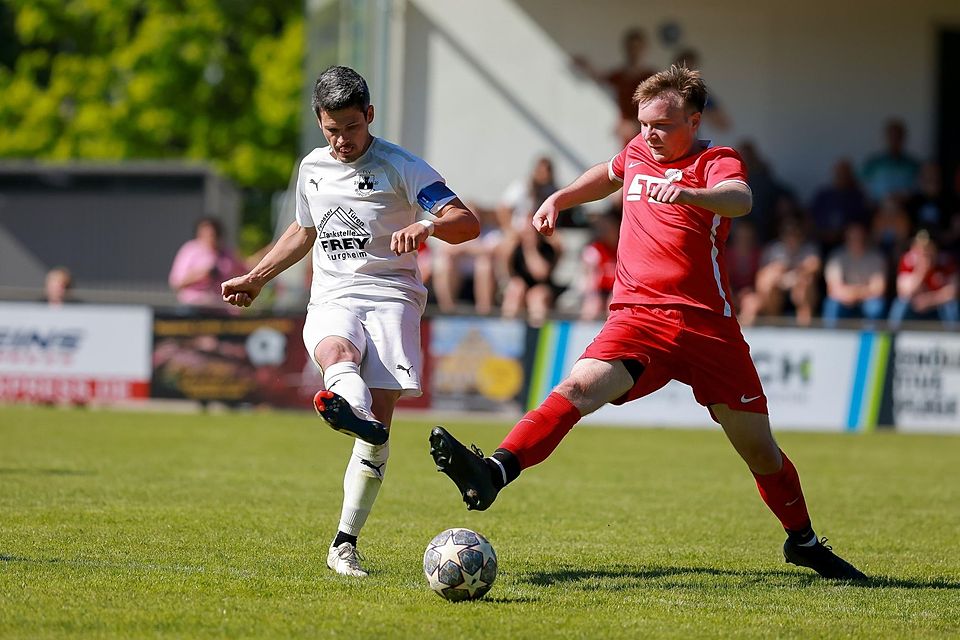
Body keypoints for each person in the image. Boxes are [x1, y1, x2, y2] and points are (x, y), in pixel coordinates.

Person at [429, 65, 866, 581]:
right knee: (578, 386)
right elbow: (609, 172)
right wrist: (560, 197)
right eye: (643, 124)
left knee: (760, 452)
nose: (649, 135)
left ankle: (804, 541)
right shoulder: (638, 152)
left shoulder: (716, 159)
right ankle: (495, 471)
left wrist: (688, 194)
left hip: (709, 329)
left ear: (694, 119)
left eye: (661, 125)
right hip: (638, 317)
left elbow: (740, 199)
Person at [221, 66, 479, 577]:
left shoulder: (401, 167)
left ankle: (344, 542)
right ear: (319, 120)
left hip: (393, 296)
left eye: (351, 127)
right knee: (336, 353)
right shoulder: (312, 168)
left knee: (377, 428)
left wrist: (426, 226)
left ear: (370, 116)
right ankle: (348, 408)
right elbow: (303, 230)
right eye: (331, 128)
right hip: (334, 294)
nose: (342, 139)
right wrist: (258, 276)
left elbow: (466, 222)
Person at [573, 28, 656, 147]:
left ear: (644, 49)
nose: (634, 52)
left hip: (645, 135)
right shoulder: (620, 75)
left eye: (637, 48)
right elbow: (601, 78)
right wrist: (585, 65)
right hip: (624, 135)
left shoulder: (651, 77)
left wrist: (636, 125)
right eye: (631, 48)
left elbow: (659, 110)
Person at [739, 218, 822, 327]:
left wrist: (795, 272)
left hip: (799, 292)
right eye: (788, 233)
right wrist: (778, 272)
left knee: (805, 284)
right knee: (758, 294)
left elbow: (815, 265)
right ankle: (773, 325)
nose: (791, 236)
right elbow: (761, 277)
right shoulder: (773, 249)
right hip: (776, 294)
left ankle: (804, 327)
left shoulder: (809, 248)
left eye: (795, 232)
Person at [168, 217, 247, 313]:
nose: (210, 238)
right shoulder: (190, 250)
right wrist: (202, 274)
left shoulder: (227, 254)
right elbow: (176, 282)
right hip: (194, 307)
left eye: (213, 234)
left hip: (219, 308)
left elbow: (246, 269)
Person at [888, 230, 959, 328]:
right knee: (900, 303)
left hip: (936, 306)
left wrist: (929, 300)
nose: (923, 252)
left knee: (951, 306)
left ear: (935, 248)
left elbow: (952, 292)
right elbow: (904, 292)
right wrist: (921, 271)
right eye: (919, 248)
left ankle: (954, 338)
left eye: (927, 248)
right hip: (915, 306)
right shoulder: (907, 260)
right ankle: (892, 336)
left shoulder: (946, 261)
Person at [821, 223, 887, 327]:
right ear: (846, 238)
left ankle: (869, 341)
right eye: (852, 237)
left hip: (866, 299)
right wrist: (855, 293)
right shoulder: (836, 256)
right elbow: (833, 289)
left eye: (859, 237)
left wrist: (856, 294)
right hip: (844, 299)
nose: (856, 239)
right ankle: (831, 339)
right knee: (832, 304)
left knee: (875, 307)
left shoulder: (876, 257)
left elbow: (878, 288)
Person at [861, 118, 921, 205]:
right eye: (891, 136)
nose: (894, 140)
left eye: (897, 136)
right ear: (886, 137)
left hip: (906, 209)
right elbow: (863, 186)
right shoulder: (873, 162)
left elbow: (918, 189)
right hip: (878, 209)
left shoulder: (913, 164)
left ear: (903, 138)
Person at [580, 209, 620, 320]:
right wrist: (593, 296)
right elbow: (590, 279)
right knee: (592, 306)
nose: (606, 231)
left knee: (613, 303)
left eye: (609, 227)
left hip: (618, 290)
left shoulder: (623, 248)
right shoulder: (594, 249)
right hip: (599, 290)